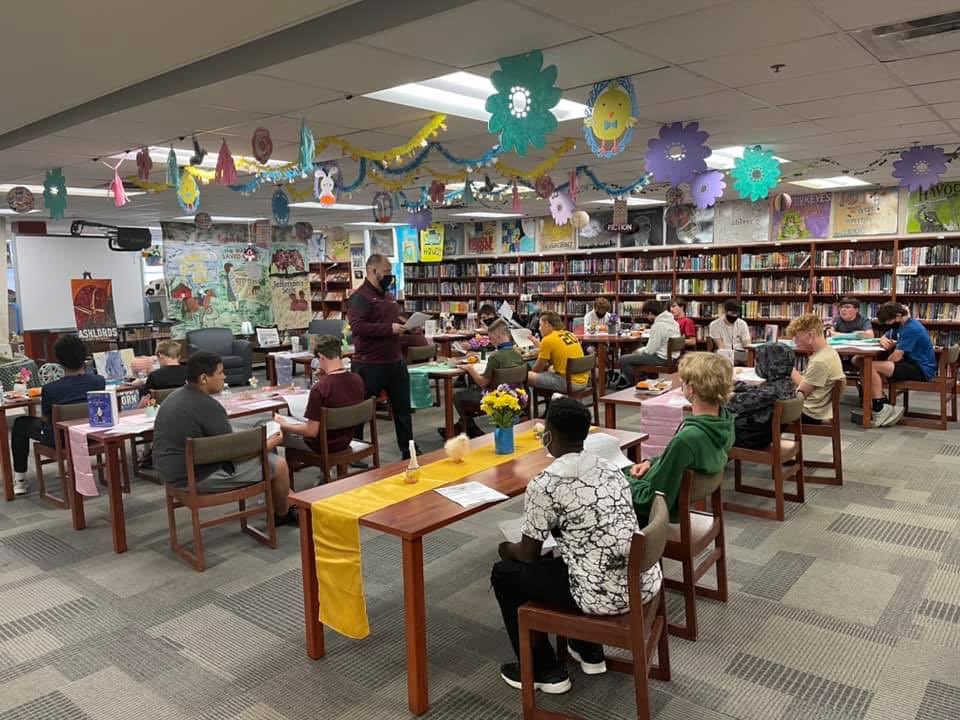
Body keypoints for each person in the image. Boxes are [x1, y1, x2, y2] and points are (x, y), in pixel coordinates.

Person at [491, 398, 662, 693]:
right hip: (642, 580)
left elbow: (528, 554)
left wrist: (506, 548)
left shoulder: (546, 484)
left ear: (549, 436)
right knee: (564, 556)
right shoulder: (609, 468)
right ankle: (588, 650)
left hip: (601, 595)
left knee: (505, 574)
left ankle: (544, 670)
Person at [152, 351, 295, 524]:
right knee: (278, 464)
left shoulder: (175, 397)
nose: (224, 377)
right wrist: (268, 444)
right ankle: (282, 514)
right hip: (195, 478)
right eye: (220, 373)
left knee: (265, 454)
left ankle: (286, 499)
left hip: (170, 471)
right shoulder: (208, 406)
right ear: (204, 378)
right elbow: (233, 454)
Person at [628, 353, 735, 523]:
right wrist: (652, 462)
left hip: (650, 514)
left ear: (691, 389)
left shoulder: (688, 439)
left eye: (683, 382)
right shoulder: (724, 421)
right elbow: (678, 462)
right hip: (662, 483)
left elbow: (652, 501)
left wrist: (623, 483)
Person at [11, 335, 105, 496]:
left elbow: (47, 419)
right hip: (92, 435)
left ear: (59, 360)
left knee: (20, 423)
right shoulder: (99, 381)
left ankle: (19, 479)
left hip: (59, 440)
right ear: (85, 357)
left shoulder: (50, 389)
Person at [347, 254, 416, 458]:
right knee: (361, 410)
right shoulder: (360, 297)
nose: (389, 276)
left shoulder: (387, 295)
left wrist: (404, 324)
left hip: (394, 360)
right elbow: (357, 327)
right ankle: (355, 451)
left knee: (403, 408)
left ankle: (408, 449)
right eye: (386, 272)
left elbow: (389, 319)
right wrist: (389, 328)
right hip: (370, 363)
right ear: (373, 271)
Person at [274, 335, 366, 458]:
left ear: (321, 358)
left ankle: (277, 472)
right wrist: (325, 378)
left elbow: (311, 431)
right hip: (346, 438)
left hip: (322, 444)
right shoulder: (357, 379)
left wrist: (283, 425)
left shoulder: (320, 388)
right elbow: (341, 396)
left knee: (273, 433)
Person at [446, 319, 523, 439]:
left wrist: (470, 369)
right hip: (515, 395)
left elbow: (483, 382)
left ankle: (468, 426)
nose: (491, 342)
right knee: (472, 388)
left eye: (491, 339)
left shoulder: (495, 357)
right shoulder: (518, 354)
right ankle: (467, 425)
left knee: (458, 396)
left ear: (498, 336)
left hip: (495, 397)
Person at [868, 302, 937, 427]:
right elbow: (890, 333)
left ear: (898, 316)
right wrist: (883, 338)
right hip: (911, 362)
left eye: (889, 321)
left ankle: (880, 407)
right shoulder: (904, 324)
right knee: (868, 366)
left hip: (921, 369)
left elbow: (896, 357)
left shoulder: (911, 329)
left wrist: (884, 366)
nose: (889, 325)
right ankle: (883, 403)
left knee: (871, 367)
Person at [727, 342, 797, 449]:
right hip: (764, 434)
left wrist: (725, 393)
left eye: (759, 361)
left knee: (710, 430)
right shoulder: (787, 384)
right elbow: (757, 392)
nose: (756, 364)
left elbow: (733, 405)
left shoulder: (771, 391)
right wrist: (737, 385)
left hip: (749, 437)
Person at [785, 314, 845, 425]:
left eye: (798, 337)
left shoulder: (819, 361)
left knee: (762, 409)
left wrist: (787, 368)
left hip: (808, 413)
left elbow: (801, 394)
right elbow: (807, 381)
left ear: (810, 335)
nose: (796, 342)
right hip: (817, 408)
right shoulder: (828, 352)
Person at [618, 300, 681, 383]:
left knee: (623, 360)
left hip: (662, 359)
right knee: (636, 352)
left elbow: (650, 351)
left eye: (646, 315)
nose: (647, 318)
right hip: (673, 358)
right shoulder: (673, 322)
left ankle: (636, 385)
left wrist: (639, 351)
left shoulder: (658, 325)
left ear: (650, 313)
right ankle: (647, 380)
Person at [528, 312, 587, 393]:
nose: (539, 328)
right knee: (549, 369)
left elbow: (538, 369)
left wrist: (529, 370)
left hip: (569, 383)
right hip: (582, 380)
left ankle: (522, 402)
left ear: (547, 324)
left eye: (540, 325)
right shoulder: (569, 334)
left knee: (526, 376)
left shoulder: (548, 339)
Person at [709, 299, 752, 365]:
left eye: (736, 313)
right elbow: (721, 346)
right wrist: (730, 358)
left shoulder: (742, 324)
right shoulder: (714, 325)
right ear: (725, 311)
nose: (734, 316)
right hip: (724, 355)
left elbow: (747, 344)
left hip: (740, 356)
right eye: (732, 313)